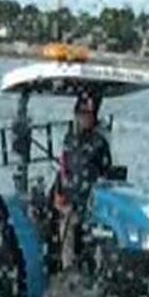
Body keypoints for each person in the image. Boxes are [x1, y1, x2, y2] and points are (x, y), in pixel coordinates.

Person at [51, 91, 113, 270]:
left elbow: (106, 175)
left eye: (88, 115)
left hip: (90, 202)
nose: (84, 118)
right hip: (69, 201)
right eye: (82, 114)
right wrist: (59, 195)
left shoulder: (100, 144)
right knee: (67, 224)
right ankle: (67, 269)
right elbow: (63, 170)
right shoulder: (69, 140)